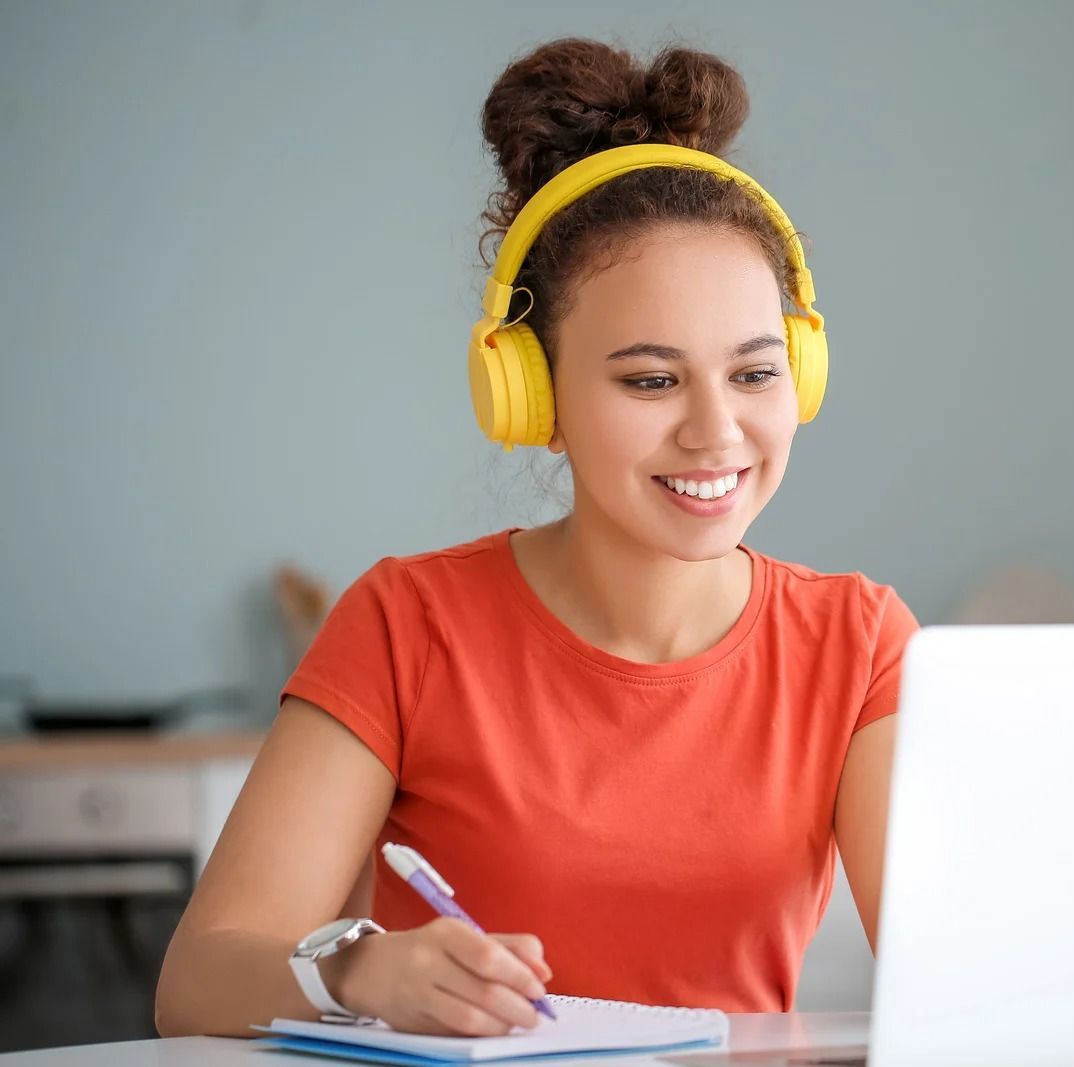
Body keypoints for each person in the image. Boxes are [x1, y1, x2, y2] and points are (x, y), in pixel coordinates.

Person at [154, 37, 919, 1039]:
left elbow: (973, 973)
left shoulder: (857, 642)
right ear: (530, 397)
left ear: (802, 374)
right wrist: (363, 969)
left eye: (753, 371)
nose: (715, 429)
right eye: (649, 378)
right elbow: (197, 980)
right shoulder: (404, 623)